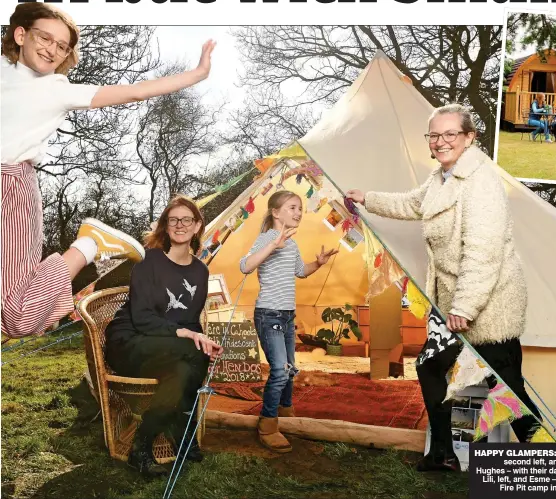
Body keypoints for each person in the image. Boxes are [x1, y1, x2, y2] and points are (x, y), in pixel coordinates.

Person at [346, 104, 542, 472]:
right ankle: (445, 453)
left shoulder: (480, 182)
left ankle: (553, 470)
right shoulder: (441, 178)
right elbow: (411, 203)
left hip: (489, 303)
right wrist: (367, 198)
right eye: (434, 135)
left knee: (508, 389)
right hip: (454, 301)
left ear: (469, 137)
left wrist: (464, 307)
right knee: (433, 367)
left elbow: (483, 252)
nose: (440, 142)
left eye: (450, 134)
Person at [1, 4, 216, 339]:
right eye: (46, 37)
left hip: (12, 188)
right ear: (20, 34)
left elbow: (135, 91)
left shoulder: (58, 89)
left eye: (62, 46)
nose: (52, 49)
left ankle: (90, 244)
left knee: (17, 319)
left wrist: (197, 74)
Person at [105, 195, 224, 477]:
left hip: (168, 348)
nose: (179, 225)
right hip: (130, 343)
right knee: (192, 350)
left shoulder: (200, 271)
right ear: (166, 226)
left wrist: (199, 339)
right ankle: (184, 431)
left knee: (184, 368)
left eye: (186, 219)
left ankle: (141, 446)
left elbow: (190, 320)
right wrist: (186, 334)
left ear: (197, 226)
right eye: (173, 220)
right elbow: (143, 318)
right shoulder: (150, 262)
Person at [240, 191, 338, 453]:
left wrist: (317, 263)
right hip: (269, 314)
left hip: (286, 315)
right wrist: (274, 244)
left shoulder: (292, 244)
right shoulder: (267, 238)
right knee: (280, 370)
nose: (298, 212)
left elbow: (299, 272)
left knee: (291, 368)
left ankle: (285, 410)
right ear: (275, 212)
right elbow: (245, 266)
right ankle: (268, 425)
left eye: (300, 209)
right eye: (293, 207)